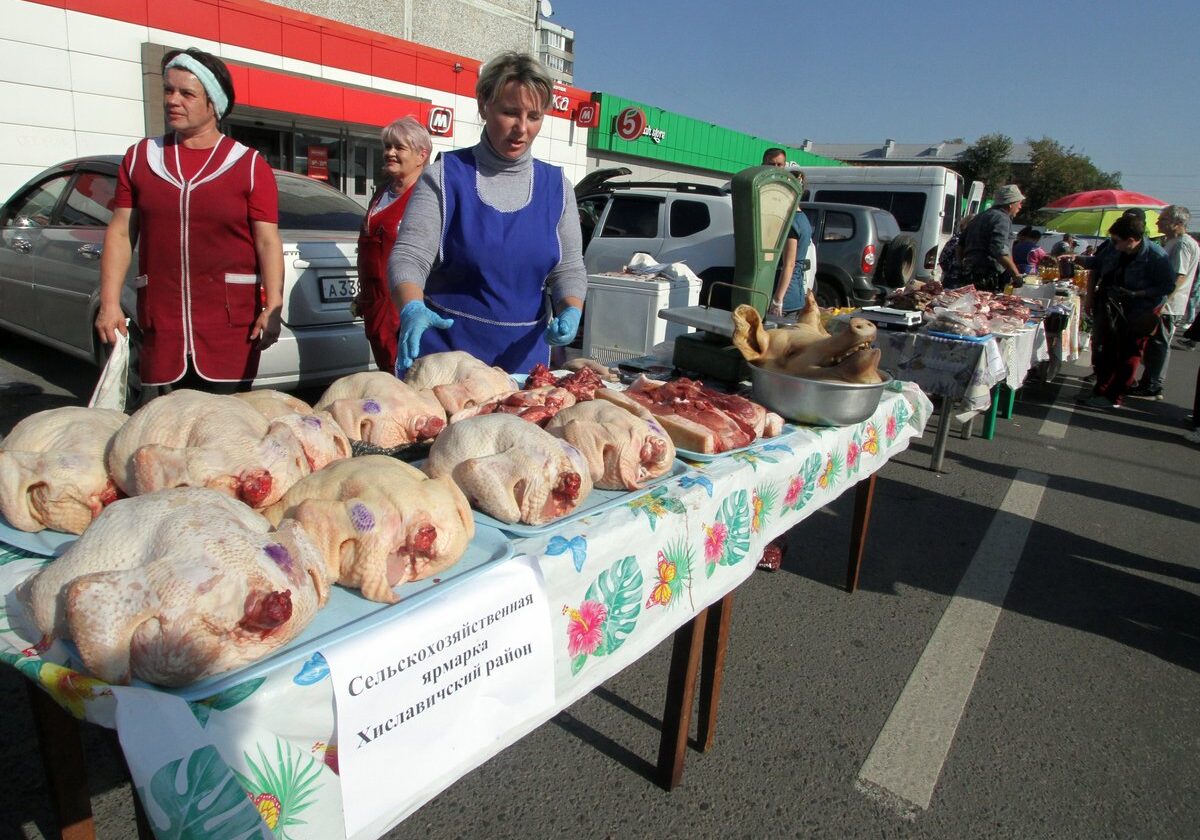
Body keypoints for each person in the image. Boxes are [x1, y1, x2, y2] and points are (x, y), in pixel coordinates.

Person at [95, 47, 282, 397]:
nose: (173, 100)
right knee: (165, 422)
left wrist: (272, 307)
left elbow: (268, 242)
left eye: (187, 93)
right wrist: (109, 303)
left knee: (225, 423)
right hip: (163, 323)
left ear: (214, 103)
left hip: (229, 326)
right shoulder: (141, 158)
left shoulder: (249, 165)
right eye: (168, 90)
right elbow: (121, 232)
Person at [387, 51, 586, 374]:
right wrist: (411, 306)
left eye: (534, 116)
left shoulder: (557, 188)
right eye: (510, 113)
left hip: (523, 364)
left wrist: (571, 309)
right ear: (483, 105)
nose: (522, 128)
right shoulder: (444, 177)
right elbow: (410, 257)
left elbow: (569, 269)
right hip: (446, 361)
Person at [356, 117, 432, 373]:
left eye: (399, 147)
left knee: (407, 377)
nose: (390, 152)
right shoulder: (381, 194)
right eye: (387, 146)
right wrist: (364, 295)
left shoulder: (426, 199)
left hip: (404, 309)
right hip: (375, 308)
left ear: (422, 155)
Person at [1079, 214, 1175, 408]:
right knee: (1105, 350)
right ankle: (1101, 390)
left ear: (1131, 240)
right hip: (1112, 306)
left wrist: (1138, 293)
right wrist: (1076, 258)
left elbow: (1167, 286)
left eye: (1116, 241)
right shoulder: (1114, 248)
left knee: (1128, 354)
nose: (1113, 245)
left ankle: (1114, 397)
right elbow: (1098, 263)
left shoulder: (1156, 256)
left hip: (1139, 311)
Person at [1129, 205, 1197, 399]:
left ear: (1177, 223)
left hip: (1167, 305)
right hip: (1164, 303)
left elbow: (1178, 277)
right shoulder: (1172, 242)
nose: (1158, 222)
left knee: (1159, 345)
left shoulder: (1182, 244)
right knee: (1153, 345)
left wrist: (1163, 302)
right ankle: (1148, 382)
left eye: (1163, 219)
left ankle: (1153, 385)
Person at [958, 184, 1024, 292]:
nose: (1020, 207)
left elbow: (960, 245)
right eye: (1019, 203)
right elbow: (999, 250)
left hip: (969, 272)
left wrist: (961, 266)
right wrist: (1016, 275)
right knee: (984, 301)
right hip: (987, 275)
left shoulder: (979, 216)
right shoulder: (1002, 219)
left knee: (971, 300)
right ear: (1010, 204)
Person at [769, 165, 814, 317]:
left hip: (786, 296)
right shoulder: (803, 219)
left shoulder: (791, 222)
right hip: (797, 292)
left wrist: (777, 300)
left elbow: (789, 264)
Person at [938, 213, 975, 288]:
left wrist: (948, 271)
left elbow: (942, 259)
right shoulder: (958, 240)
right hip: (957, 280)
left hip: (953, 278)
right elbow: (943, 259)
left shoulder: (956, 239)